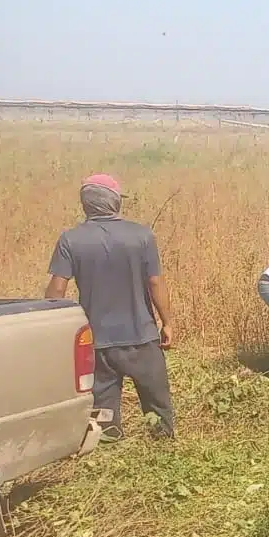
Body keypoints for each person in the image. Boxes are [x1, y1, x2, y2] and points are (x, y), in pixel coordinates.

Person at [44, 173, 176, 441]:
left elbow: (56, 290)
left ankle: (109, 443)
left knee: (103, 416)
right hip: (142, 337)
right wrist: (168, 322)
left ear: (86, 205)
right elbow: (155, 283)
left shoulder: (70, 239)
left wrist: (54, 330)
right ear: (115, 202)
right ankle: (162, 445)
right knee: (158, 406)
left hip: (98, 342)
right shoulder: (142, 236)